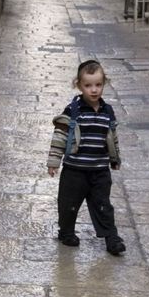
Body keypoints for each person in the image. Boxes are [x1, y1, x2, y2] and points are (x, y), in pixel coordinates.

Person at [47, 59, 127, 255]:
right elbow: (60, 137)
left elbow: (112, 137)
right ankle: (66, 232)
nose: (94, 90)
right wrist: (53, 162)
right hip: (75, 170)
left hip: (99, 170)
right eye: (88, 85)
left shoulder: (108, 112)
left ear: (104, 84)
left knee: (103, 205)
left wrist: (115, 159)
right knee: (68, 204)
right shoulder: (73, 111)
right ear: (79, 85)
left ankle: (112, 238)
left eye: (98, 85)